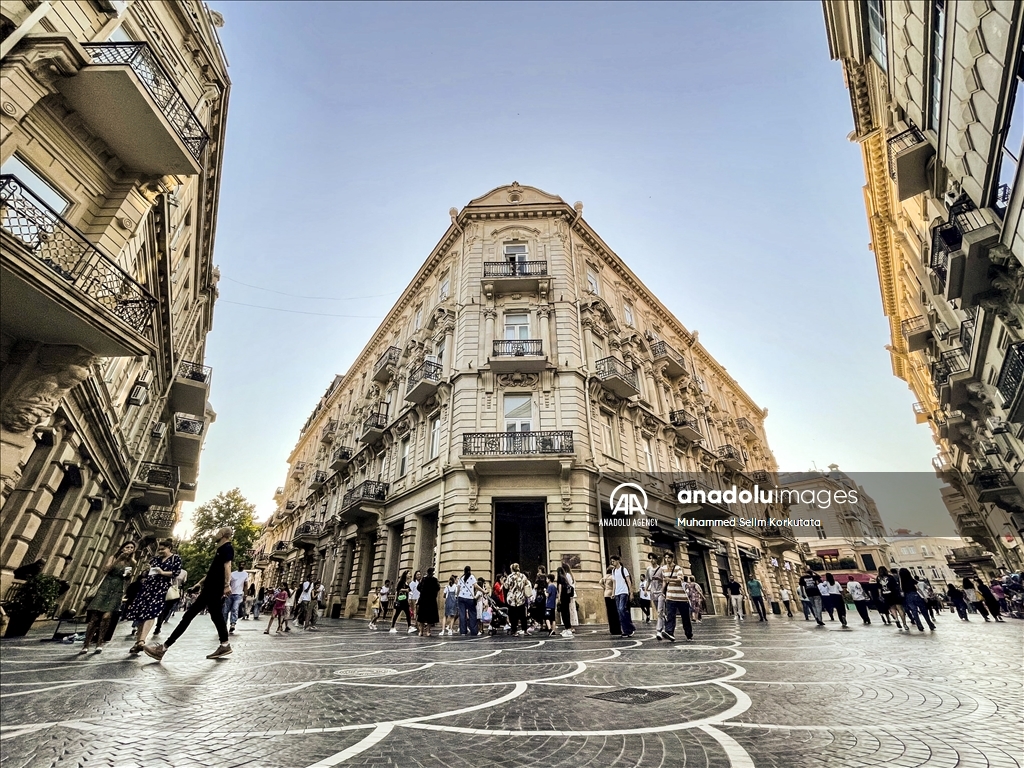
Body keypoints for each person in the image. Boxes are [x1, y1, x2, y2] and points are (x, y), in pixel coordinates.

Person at [145, 527, 234, 660]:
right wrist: (199, 583)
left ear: (222, 534)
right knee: (216, 616)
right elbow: (214, 571)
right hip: (210, 588)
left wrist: (227, 585)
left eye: (218, 532)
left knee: (189, 616)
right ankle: (225, 645)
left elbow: (227, 566)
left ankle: (163, 648)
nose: (215, 533)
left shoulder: (227, 548)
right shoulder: (221, 549)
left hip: (214, 589)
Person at [124, 539, 181, 654]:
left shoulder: (176, 558)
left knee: (152, 612)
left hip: (161, 588)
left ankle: (141, 640)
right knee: (141, 613)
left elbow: (176, 572)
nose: (160, 551)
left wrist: (162, 572)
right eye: (159, 549)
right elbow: (147, 572)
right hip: (148, 587)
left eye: (162, 549)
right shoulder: (155, 559)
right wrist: (146, 572)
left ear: (169, 548)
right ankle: (138, 642)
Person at [80, 541, 136, 654]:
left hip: (117, 590)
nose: (129, 549)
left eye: (132, 548)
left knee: (106, 617)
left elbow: (128, 580)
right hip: (104, 588)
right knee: (95, 618)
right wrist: (118, 559)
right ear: (122, 548)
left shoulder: (132, 562)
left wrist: (128, 576)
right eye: (127, 547)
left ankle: (99, 643)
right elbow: (106, 570)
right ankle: (86, 644)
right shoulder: (114, 557)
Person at [659, 552, 692, 642]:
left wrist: (669, 579)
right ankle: (669, 633)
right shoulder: (663, 568)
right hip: (670, 596)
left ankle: (689, 634)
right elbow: (664, 582)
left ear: (672, 558)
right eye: (665, 558)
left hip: (681, 597)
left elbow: (680, 580)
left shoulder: (678, 568)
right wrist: (662, 592)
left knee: (685, 617)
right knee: (670, 616)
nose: (667, 560)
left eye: (669, 558)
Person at [153, 565, 188, 636]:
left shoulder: (184, 572)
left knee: (167, 610)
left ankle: (159, 624)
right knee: (162, 609)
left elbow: (183, 583)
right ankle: (158, 625)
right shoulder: (166, 569)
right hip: (163, 590)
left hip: (174, 592)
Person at [899, 567, 934, 632]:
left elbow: (901, 591)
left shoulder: (902, 582)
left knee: (914, 611)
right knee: (924, 610)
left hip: (908, 597)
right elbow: (918, 589)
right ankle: (930, 624)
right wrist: (924, 597)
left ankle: (919, 625)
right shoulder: (912, 580)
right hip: (915, 595)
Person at [609, 555, 635, 637]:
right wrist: (613, 593)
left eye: (613, 561)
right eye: (611, 561)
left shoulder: (624, 570)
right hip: (617, 593)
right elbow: (614, 583)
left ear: (618, 561)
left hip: (624, 592)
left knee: (621, 609)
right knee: (620, 612)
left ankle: (630, 628)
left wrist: (631, 593)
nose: (612, 563)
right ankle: (626, 630)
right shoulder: (613, 571)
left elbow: (628, 581)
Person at [504, 563, 531, 636]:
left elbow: (506, 587)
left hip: (511, 599)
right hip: (521, 598)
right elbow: (527, 584)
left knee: (513, 616)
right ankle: (525, 630)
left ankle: (514, 631)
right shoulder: (523, 576)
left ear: (512, 568)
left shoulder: (510, 577)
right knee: (523, 616)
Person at [416, 568, 440, 636]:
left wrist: (423, 593)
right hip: (431, 600)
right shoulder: (434, 580)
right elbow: (438, 588)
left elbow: (418, 587)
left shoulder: (424, 579)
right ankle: (428, 631)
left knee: (422, 616)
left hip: (423, 600)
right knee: (430, 617)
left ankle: (421, 631)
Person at [456, 566, 479, 636]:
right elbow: (476, 586)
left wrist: (457, 596)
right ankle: (474, 631)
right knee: (472, 614)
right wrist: (483, 591)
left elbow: (458, 588)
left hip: (461, 598)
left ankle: (463, 631)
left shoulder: (461, 578)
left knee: (462, 615)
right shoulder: (472, 577)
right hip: (469, 598)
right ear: (470, 570)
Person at [646, 552, 665, 634]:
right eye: (650, 558)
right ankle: (664, 624)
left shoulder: (661, 569)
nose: (651, 560)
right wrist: (645, 590)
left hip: (660, 592)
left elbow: (665, 580)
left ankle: (659, 629)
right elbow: (648, 580)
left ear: (656, 560)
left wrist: (659, 579)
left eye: (653, 558)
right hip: (653, 592)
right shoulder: (648, 569)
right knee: (659, 611)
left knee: (660, 611)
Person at [224, 565, 247, 633]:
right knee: (225, 610)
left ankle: (233, 624)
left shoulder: (245, 574)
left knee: (235, 608)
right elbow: (228, 583)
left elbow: (246, 585)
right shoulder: (232, 574)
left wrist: (245, 594)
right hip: (229, 594)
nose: (242, 566)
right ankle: (223, 624)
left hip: (238, 594)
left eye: (243, 564)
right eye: (241, 564)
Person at [600, 567, 621, 636]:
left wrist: (605, 588)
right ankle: (617, 629)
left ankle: (612, 629)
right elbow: (614, 586)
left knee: (609, 612)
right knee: (615, 612)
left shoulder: (605, 577)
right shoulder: (612, 577)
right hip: (612, 594)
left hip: (606, 594)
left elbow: (600, 582)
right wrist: (613, 593)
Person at [556, 565, 576, 637]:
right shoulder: (565, 578)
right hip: (567, 597)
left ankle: (567, 628)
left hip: (563, 597)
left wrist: (559, 598)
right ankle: (568, 627)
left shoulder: (560, 578)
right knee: (567, 612)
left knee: (564, 613)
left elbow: (560, 588)